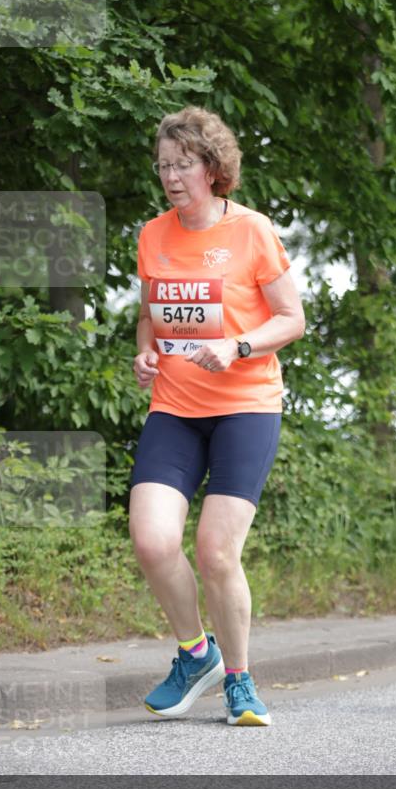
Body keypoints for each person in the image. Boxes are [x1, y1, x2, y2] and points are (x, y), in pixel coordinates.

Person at [129, 106, 305, 726]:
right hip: (174, 406)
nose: (171, 176)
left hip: (245, 407)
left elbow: (292, 318)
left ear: (212, 167)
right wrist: (145, 351)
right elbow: (151, 312)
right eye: (163, 165)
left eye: (183, 164)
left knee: (215, 552)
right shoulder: (153, 234)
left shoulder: (252, 230)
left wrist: (238, 345)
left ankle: (239, 679)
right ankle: (194, 654)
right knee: (152, 540)